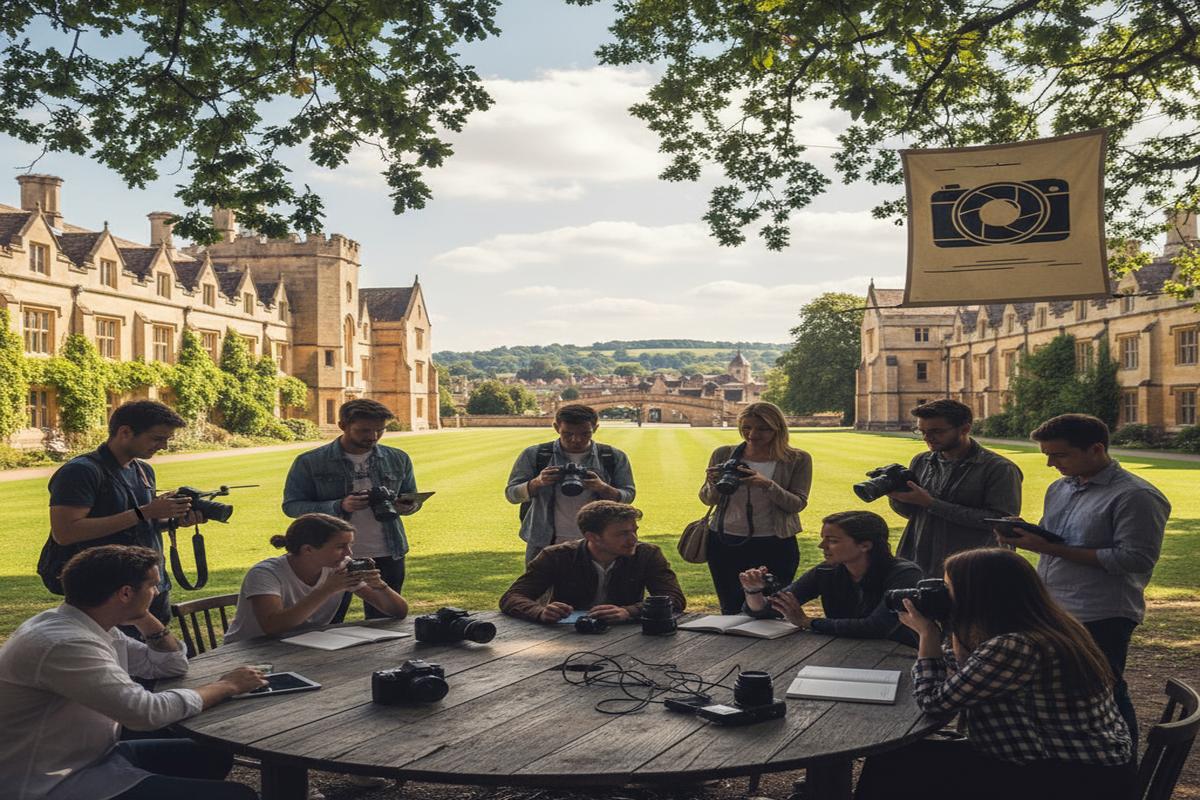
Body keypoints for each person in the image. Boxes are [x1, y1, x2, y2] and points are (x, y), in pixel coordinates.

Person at [854, 548, 1134, 800]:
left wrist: (927, 633)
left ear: (979, 594)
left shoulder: (1015, 646)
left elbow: (934, 702)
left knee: (894, 763)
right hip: (1088, 763)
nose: (942, 595)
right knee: (898, 759)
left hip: (1064, 777)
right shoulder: (1051, 625)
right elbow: (967, 665)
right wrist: (950, 625)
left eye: (950, 588)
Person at [0, 545, 266, 800]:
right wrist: (226, 686)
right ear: (125, 593)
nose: (157, 592)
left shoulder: (90, 624)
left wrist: (141, 615)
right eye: (152, 585)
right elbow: (145, 713)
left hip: (90, 757)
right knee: (237, 796)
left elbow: (169, 665)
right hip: (50, 781)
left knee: (212, 754)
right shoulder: (66, 644)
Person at [998, 413, 1170, 754]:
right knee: (1063, 691)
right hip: (1055, 604)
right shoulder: (1060, 487)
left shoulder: (1136, 496)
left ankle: (1123, 767)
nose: (1050, 464)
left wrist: (1050, 548)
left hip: (1102, 611)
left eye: (1059, 455)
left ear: (1095, 449)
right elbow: (1058, 538)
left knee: (1106, 691)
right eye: (1047, 454)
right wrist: (1026, 533)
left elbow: (1135, 559)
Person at [45, 400, 199, 626]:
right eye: (157, 438)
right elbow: (65, 532)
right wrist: (144, 512)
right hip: (108, 595)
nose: (163, 446)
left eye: (167, 439)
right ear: (125, 432)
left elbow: (139, 524)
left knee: (156, 656)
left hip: (151, 587)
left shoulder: (143, 469)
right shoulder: (80, 471)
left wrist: (171, 520)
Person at [282, 398, 419, 619]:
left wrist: (407, 506)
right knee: (326, 622)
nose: (373, 437)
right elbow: (292, 506)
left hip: (388, 552)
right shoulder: (310, 461)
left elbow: (410, 499)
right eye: (364, 430)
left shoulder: (398, 458)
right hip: (330, 557)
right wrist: (339, 505)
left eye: (380, 430)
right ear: (342, 425)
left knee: (386, 623)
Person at [739, 510, 923, 646]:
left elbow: (877, 627)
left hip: (898, 654)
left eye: (833, 541)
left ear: (865, 545)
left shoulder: (904, 575)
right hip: (843, 648)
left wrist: (808, 622)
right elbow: (774, 608)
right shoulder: (827, 571)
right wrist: (753, 590)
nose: (822, 546)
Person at [887, 399, 1022, 576]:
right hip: (920, 560)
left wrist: (931, 503)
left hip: (972, 567)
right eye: (922, 431)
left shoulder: (999, 468)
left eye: (936, 431)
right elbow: (914, 513)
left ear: (965, 429)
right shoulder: (921, 461)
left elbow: (1000, 523)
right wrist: (895, 495)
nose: (927, 438)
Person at [700, 401, 812, 614]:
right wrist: (713, 482)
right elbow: (707, 500)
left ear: (777, 428)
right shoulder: (724, 454)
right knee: (731, 609)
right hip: (725, 541)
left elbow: (797, 504)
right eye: (746, 427)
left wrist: (767, 485)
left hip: (775, 542)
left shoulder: (797, 459)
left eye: (762, 429)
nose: (752, 434)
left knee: (771, 610)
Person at [224, 513, 408, 643]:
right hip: (248, 652)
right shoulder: (265, 573)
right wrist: (327, 589)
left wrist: (380, 586)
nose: (348, 553)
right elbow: (273, 626)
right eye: (340, 546)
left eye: (350, 545)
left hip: (302, 647)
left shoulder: (339, 567)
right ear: (308, 549)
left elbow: (398, 612)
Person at [500, 500, 685, 624]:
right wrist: (540, 612)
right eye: (622, 534)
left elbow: (674, 599)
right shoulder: (556, 556)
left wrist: (629, 612)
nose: (633, 539)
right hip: (566, 637)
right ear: (593, 537)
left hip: (631, 637)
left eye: (634, 530)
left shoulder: (647, 555)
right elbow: (512, 597)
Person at [505, 404, 636, 564]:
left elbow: (628, 496)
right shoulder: (535, 455)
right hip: (545, 541)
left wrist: (602, 488)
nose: (576, 440)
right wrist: (537, 482)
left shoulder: (612, 457)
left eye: (584, 434)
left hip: (599, 542)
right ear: (556, 427)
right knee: (541, 589)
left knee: (598, 587)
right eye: (568, 434)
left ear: (595, 428)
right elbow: (511, 494)